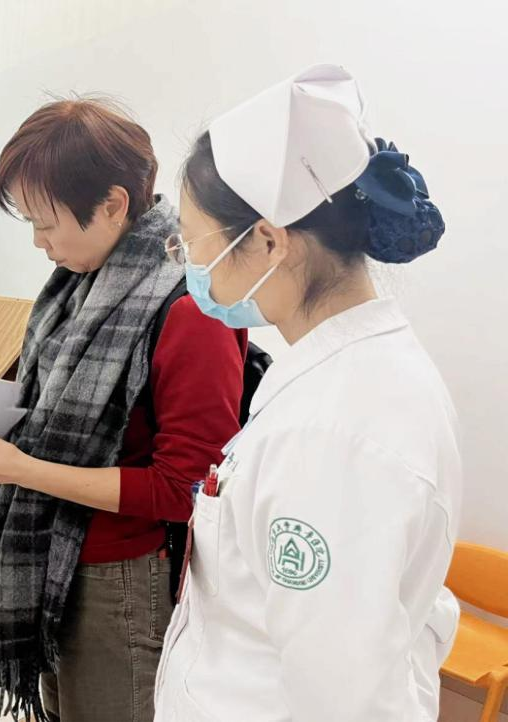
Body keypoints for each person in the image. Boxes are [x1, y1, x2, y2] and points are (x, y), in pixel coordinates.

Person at [154, 64, 461, 721]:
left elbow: (344, 698)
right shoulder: (337, 379)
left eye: (193, 241)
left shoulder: (338, 431)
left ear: (268, 240)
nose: (189, 263)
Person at [0, 98, 247, 722]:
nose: (38, 241)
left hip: (119, 581)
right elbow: (62, 405)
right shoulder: (81, 281)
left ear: (114, 205)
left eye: (47, 223)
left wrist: (19, 469)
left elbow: (183, 488)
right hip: (53, 558)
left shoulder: (190, 308)